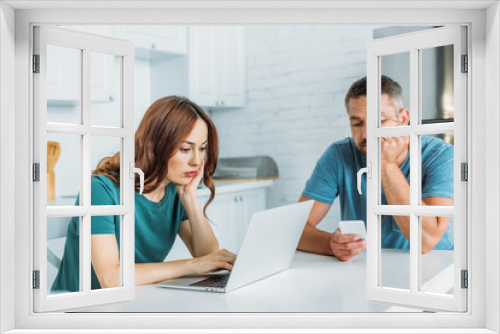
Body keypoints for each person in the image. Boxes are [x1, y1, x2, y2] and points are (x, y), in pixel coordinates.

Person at [52, 96, 236, 292]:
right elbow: (110, 278)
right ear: (156, 146)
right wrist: (191, 266)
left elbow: (208, 256)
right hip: (81, 307)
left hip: (135, 298)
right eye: (185, 149)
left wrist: (190, 196)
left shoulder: (176, 192)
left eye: (202, 149)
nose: (196, 161)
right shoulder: (100, 190)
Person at [297, 76, 454, 261]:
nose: (365, 134)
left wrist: (386, 164)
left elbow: (426, 240)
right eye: (356, 124)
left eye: (377, 122)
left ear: (403, 119)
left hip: (433, 271)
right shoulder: (338, 155)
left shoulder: (441, 155)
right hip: (367, 271)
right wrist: (331, 244)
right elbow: (296, 229)